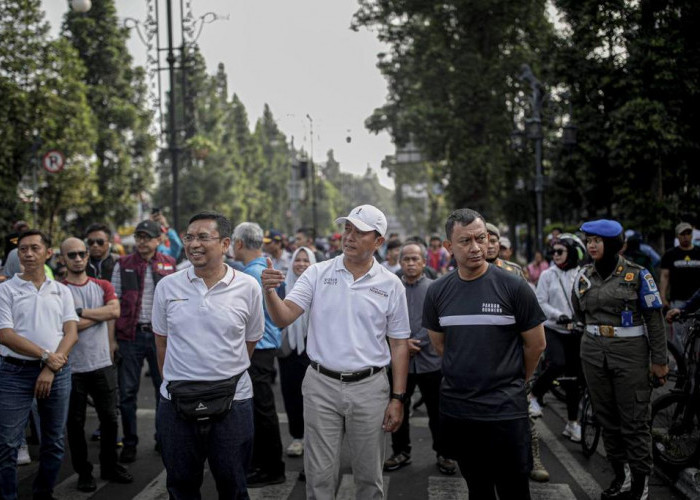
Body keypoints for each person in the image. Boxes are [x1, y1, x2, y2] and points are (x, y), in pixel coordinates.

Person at [261, 204, 410, 500]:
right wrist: (269, 292)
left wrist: (398, 398)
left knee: (369, 478)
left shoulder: (391, 284)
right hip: (321, 385)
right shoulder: (318, 273)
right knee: (319, 478)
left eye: (359, 231)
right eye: (347, 228)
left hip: (370, 388)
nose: (349, 236)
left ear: (378, 241)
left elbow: (399, 343)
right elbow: (284, 317)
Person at [423, 209, 546, 499]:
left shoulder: (514, 286)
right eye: (465, 241)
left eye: (481, 238)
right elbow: (442, 346)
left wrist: (514, 379)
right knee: (477, 487)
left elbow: (536, 345)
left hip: (505, 409)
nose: (476, 248)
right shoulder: (438, 292)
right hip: (460, 410)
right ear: (448, 247)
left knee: (514, 488)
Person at [151, 211, 263, 498]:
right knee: (181, 486)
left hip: (233, 403)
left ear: (225, 244)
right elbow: (161, 341)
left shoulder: (248, 286)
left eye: (203, 237)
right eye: (189, 237)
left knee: (234, 485)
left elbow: (250, 340)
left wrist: (224, 371)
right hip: (176, 401)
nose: (193, 244)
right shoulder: (167, 286)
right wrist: (175, 380)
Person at [573, 219, 668, 500]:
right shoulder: (584, 276)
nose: (591, 245)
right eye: (588, 240)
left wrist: (659, 361)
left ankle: (640, 485)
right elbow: (579, 313)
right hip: (593, 353)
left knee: (635, 421)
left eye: (597, 240)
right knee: (606, 419)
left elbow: (655, 320)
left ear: (613, 244)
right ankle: (620, 478)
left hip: (630, 355)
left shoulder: (638, 275)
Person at [0, 230, 79, 500]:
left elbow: (71, 333)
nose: (29, 254)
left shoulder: (61, 290)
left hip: (57, 373)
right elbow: (5, 335)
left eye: (35, 248)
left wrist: (50, 366)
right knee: (7, 444)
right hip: (14, 372)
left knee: (54, 441)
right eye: (23, 249)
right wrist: (47, 356)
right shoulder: (6, 289)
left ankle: (43, 494)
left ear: (48, 253)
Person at [59, 238, 132, 491]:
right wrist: (96, 315)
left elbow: (114, 312)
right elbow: (63, 326)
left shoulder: (103, 285)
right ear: (62, 259)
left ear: (87, 257)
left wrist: (77, 314)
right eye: (72, 255)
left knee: (110, 420)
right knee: (75, 424)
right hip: (72, 367)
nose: (78, 258)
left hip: (101, 363)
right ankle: (84, 472)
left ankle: (110, 465)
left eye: (82, 254)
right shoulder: (58, 290)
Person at [383, 241, 455, 476]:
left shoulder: (436, 288)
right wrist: (403, 344)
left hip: (431, 360)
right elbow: (381, 319)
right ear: (400, 262)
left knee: (438, 412)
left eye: (416, 259)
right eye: (406, 259)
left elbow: (441, 322)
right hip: (398, 361)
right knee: (397, 408)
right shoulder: (391, 287)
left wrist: (417, 342)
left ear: (424, 262)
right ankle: (400, 451)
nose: (411, 263)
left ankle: (444, 453)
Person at [485, 223, 548, 482]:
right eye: (483, 239)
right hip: (481, 355)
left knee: (522, 411)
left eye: (493, 240)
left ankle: (533, 458)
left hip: (511, 354)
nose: (488, 245)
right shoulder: (466, 270)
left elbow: (528, 319)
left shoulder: (513, 272)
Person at [112, 219, 176, 463]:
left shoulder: (169, 264)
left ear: (158, 240)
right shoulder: (123, 264)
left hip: (161, 336)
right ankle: (130, 442)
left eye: (147, 237)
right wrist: (113, 340)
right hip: (130, 335)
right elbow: (115, 301)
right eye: (139, 236)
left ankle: (163, 439)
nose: (142, 241)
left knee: (165, 390)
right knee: (127, 393)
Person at [232, 222, 286, 487]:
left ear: (239, 244)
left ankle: (272, 468)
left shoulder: (251, 275)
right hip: (264, 345)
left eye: (232, 242)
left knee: (261, 410)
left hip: (259, 348)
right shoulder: (262, 268)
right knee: (259, 408)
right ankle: (263, 463)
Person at [529, 234, 586, 444]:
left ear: (572, 253)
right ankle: (534, 396)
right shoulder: (547, 275)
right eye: (553, 252)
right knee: (557, 363)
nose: (556, 255)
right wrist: (557, 315)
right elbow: (540, 301)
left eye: (560, 251)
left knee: (574, 380)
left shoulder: (581, 274)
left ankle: (573, 423)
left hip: (575, 331)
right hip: (552, 329)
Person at [277, 247, 317, 458]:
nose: (301, 264)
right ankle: (297, 437)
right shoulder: (283, 288)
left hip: (314, 351)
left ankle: (313, 439)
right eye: (297, 260)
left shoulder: (320, 287)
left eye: (305, 260)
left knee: (315, 399)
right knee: (291, 395)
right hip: (290, 352)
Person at [660, 222, 700, 353]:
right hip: (678, 300)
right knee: (678, 335)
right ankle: (681, 365)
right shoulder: (670, 254)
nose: (686, 237)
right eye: (683, 234)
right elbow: (665, 276)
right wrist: (662, 296)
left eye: (688, 233)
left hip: (697, 301)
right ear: (677, 236)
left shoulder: (698, 252)